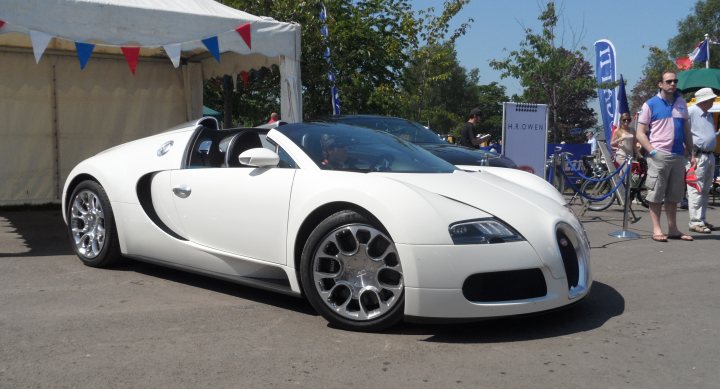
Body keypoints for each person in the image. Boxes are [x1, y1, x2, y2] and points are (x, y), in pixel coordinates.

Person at [635, 71, 696, 242]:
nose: (673, 84)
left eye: (675, 81)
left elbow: (686, 130)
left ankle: (673, 229)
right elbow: (640, 133)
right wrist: (652, 151)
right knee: (656, 194)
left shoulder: (681, 103)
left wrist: (692, 152)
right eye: (669, 81)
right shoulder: (650, 104)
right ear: (660, 84)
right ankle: (657, 229)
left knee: (674, 195)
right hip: (659, 155)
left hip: (678, 155)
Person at [686, 87, 718, 233]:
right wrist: (691, 155)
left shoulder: (708, 114)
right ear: (703, 100)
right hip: (697, 155)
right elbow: (684, 133)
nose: (713, 100)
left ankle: (701, 219)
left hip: (708, 155)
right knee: (696, 189)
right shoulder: (692, 112)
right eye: (711, 99)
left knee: (705, 190)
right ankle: (695, 221)